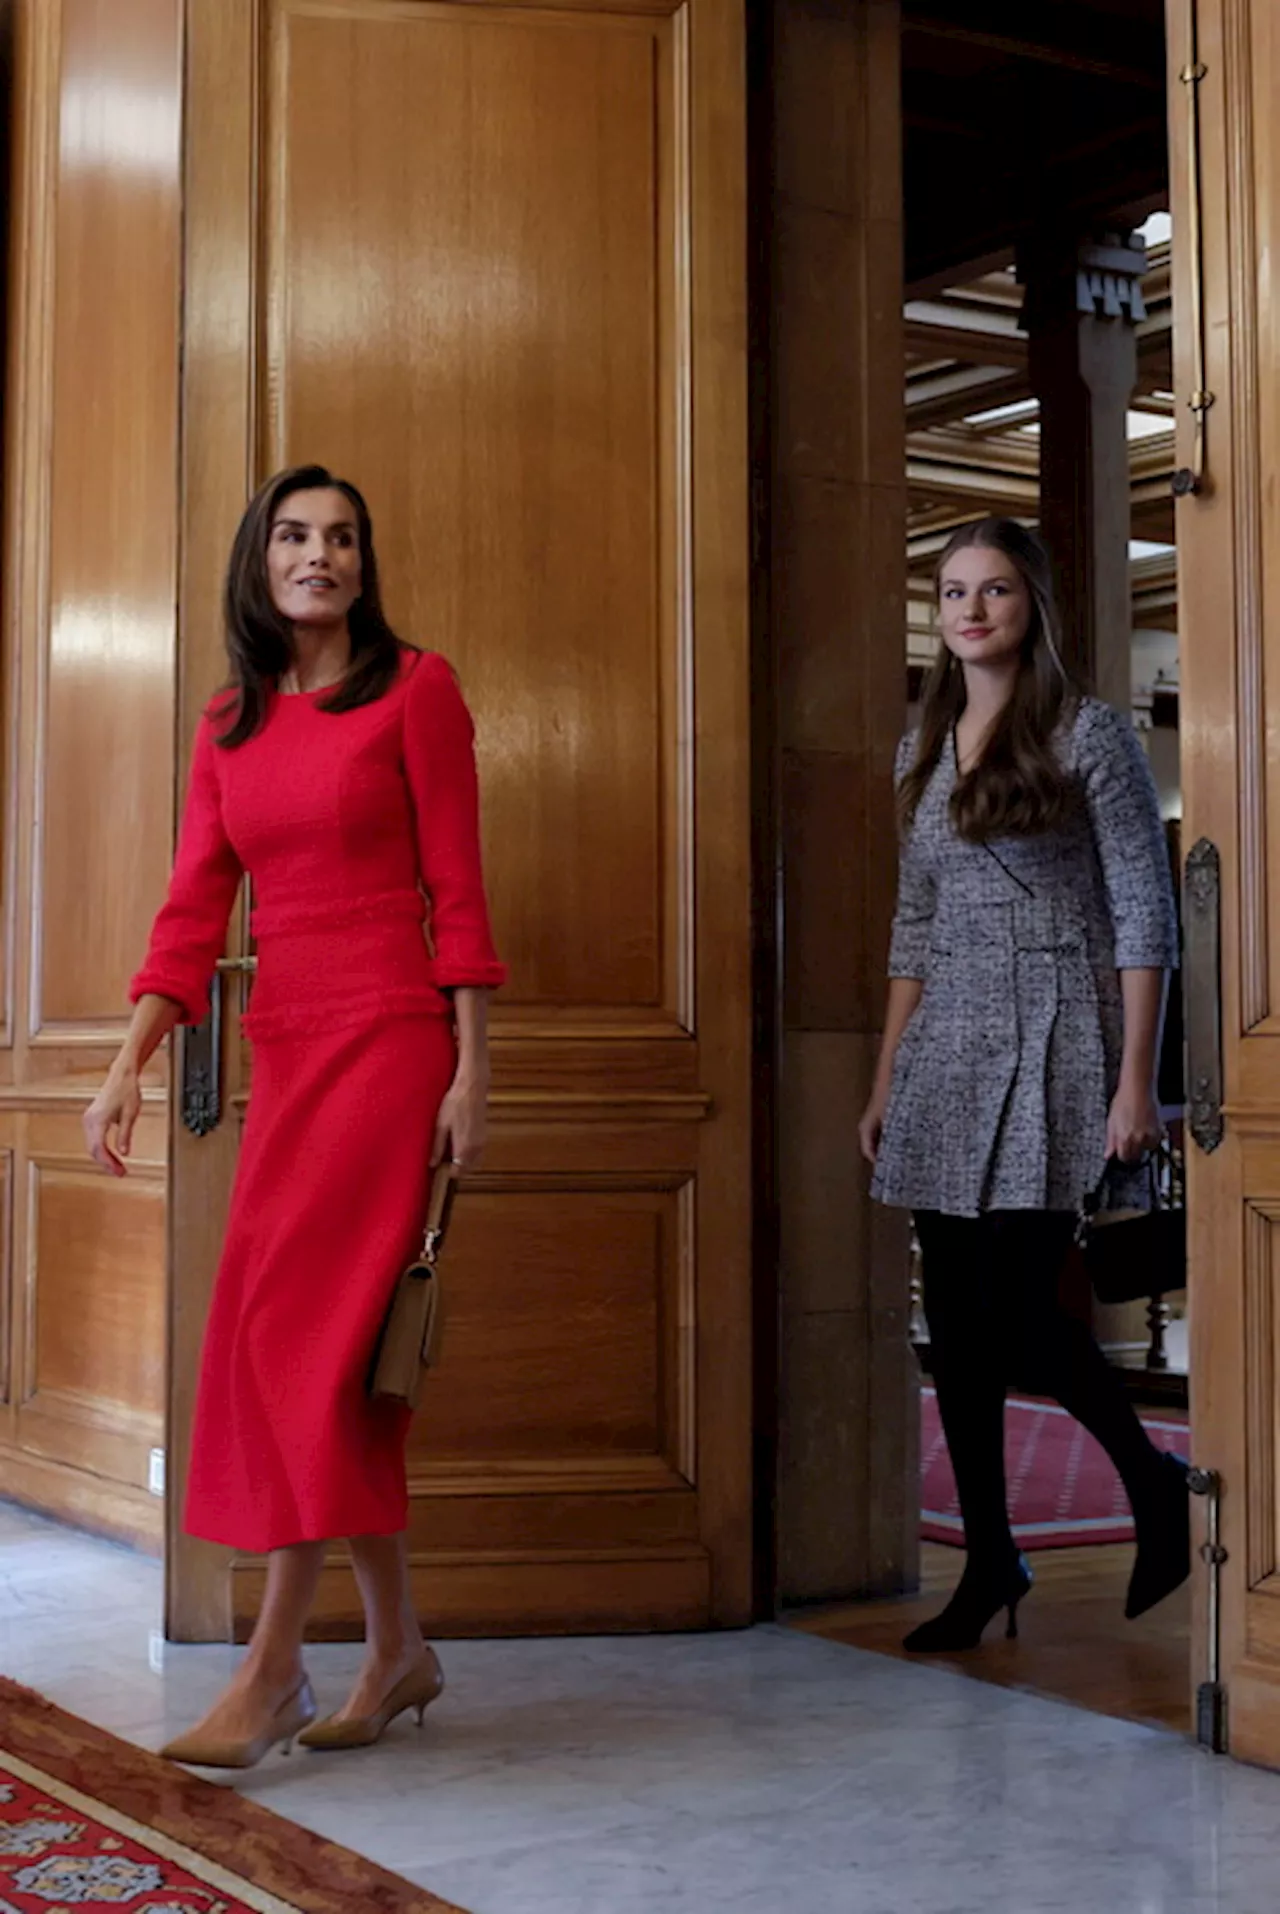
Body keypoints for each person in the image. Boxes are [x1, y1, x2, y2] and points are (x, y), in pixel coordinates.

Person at [84, 465, 506, 1765]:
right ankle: (396, 1648)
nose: (318, 555)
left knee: (313, 1348)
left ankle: (271, 1668)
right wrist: (128, 1058)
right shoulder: (230, 722)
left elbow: (460, 890)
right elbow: (190, 910)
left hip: (389, 1047)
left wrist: (472, 1070)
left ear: (363, 565)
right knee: (314, 1355)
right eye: (294, 535)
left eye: (341, 538)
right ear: (260, 562)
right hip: (285, 1055)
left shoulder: (418, 691)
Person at [859, 516, 1187, 1654]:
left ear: (1029, 606)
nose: (969, 609)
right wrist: (883, 1073)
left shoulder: (1088, 735)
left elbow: (1145, 915)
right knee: (953, 1321)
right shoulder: (919, 749)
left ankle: (1150, 1486)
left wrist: (1134, 1081)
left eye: (992, 589)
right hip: (946, 1035)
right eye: (951, 591)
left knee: (1013, 1306)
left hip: (1056, 1031)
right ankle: (989, 1559)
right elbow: (914, 922)